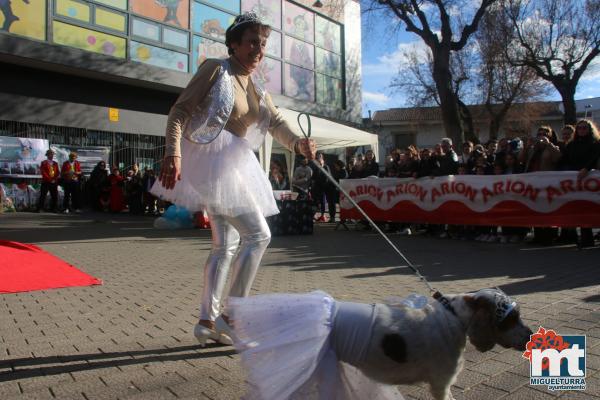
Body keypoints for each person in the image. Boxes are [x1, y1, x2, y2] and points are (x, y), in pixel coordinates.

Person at [151, 12, 316, 346]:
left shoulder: (258, 87)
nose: (259, 49)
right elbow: (180, 112)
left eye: (263, 43)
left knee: (225, 246)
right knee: (258, 235)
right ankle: (232, 317)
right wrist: (173, 152)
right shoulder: (215, 68)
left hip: (237, 164)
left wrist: (298, 143)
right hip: (212, 161)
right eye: (252, 41)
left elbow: (277, 124)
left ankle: (206, 321)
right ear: (234, 44)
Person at [562, 119, 600, 248]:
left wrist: (587, 169)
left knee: (591, 208)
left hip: (591, 180)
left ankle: (589, 237)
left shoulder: (595, 143)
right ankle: (585, 238)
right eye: (579, 128)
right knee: (580, 208)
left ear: (589, 129)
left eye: (584, 128)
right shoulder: (571, 145)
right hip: (575, 180)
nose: (582, 130)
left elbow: (595, 158)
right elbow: (565, 160)